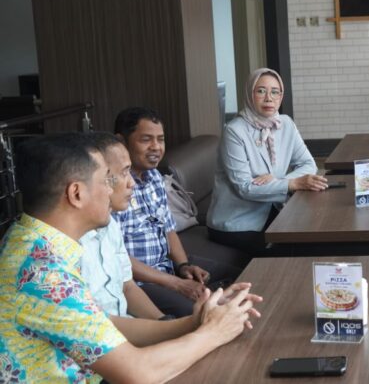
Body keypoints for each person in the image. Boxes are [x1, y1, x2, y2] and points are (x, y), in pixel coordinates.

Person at [0, 133, 262, 383]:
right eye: (106, 180)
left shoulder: (34, 244)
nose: (115, 188)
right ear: (76, 193)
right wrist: (214, 332)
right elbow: (137, 374)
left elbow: (103, 326)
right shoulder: (44, 272)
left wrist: (197, 321)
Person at [113, 107, 241, 317]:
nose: (156, 147)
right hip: (139, 283)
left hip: (166, 267)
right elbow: (117, 258)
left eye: (160, 139)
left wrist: (183, 266)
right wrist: (176, 283)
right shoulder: (114, 190)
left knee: (240, 276)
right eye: (146, 139)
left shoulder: (155, 177)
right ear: (121, 141)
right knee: (200, 313)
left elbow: (168, 228)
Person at [207, 68, 325, 255]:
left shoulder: (285, 124)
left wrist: (279, 181)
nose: (269, 98)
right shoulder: (234, 131)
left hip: (272, 210)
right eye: (261, 91)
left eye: (275, 92)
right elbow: (245, 187)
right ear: (250, 94)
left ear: (281, 96)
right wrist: (291, 184)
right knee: (291, 251)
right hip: (237, 222)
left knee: (315, 235)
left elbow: (308, 164)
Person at [80, 132, 166, 319]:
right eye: (124, 172)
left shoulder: (109, 224)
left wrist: (165, 322)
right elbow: (100, 327)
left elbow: (127, 286)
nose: (132, 183)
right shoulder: (58, 251)